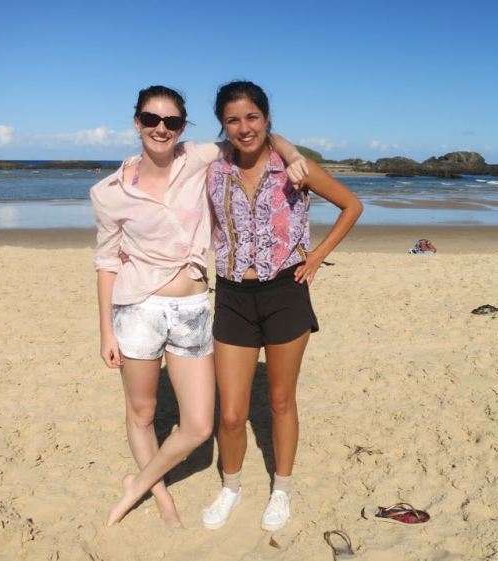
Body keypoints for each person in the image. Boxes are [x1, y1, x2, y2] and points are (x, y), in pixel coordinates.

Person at [93, 85, 307, 527]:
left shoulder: (197, 159)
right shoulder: (109, 191)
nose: (160, 128)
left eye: (171, 121)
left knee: (198, 426)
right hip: (135, 307)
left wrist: (291, 151)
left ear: (182, 127)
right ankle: (162, 499)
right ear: (137, 122)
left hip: (192, 306)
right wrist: (105, 331)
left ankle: (134, 485)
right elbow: (106, 261)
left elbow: (252, 135)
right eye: (151, 119)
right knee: (142, 413)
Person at [200, 81, 362, 532]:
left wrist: (316, 256)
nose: (243, 127)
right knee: (231, 411)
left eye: (252, 117)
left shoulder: (295, 167)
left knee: (280, 400)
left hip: (285, 292)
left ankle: (281, 489)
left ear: (267, 119)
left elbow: (352, 205)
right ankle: (230, 487)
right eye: (233, 119)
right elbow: (169, 161)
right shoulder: (213, 169)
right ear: (223, 125)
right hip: (232, 295)